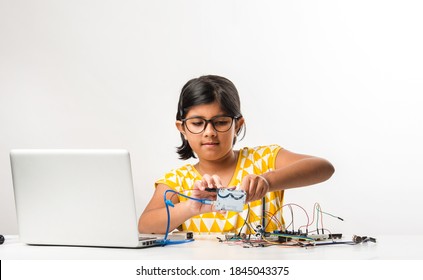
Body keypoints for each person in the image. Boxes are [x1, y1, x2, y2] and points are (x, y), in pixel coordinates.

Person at [138, 75, 334, 234]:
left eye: (221, 122)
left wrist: (268, 181)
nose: (209, 132)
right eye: (198, 123)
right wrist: (190, 207)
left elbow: (324, 168)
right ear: (182, 128)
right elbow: (145, 226)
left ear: (237, 125)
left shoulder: (264, 159)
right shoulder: (177, 180)